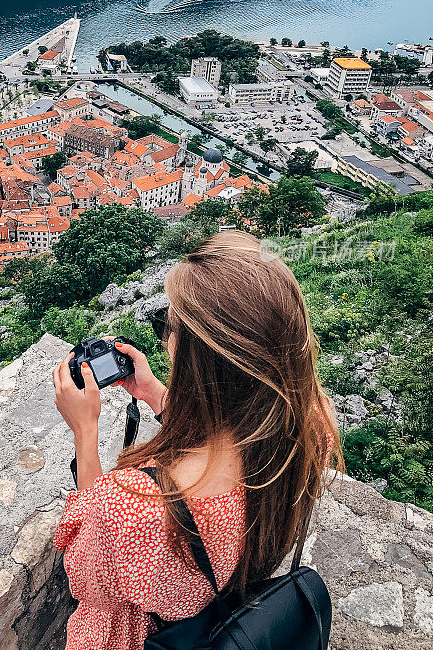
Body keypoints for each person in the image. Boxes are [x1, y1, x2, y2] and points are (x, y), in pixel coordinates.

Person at [53, 230, 342, 650]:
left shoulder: (135, 506)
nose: (165, 336)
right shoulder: (314, 425)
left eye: (169, 324)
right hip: (237, 591)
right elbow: (238, 424)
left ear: (196, 357)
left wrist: (85, 432)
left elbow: (86, 575)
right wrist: (154, 393)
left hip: (156, 631)